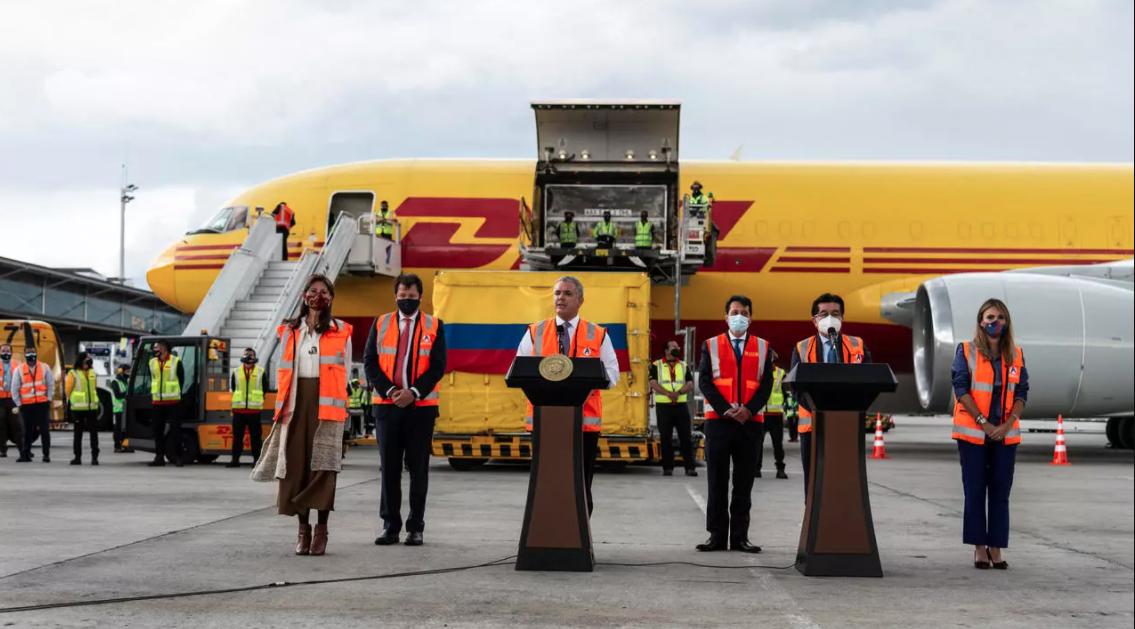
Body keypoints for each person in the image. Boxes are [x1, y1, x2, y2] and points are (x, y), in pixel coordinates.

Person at [252, 274, 353, 556]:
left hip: (327, 406)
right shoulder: (289, 331)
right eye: (313, 290)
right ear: (303, 295)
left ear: (331, 298)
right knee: (295, 467)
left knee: (323, 467)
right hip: (295, 404)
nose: (317, 296)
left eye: (323, 291)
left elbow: (343, 374)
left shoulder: (341, 330)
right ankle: (303, 530)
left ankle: (322, 531)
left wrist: (340, 409)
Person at [515, 275, 619, 516]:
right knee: (547, 485)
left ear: (580, 300)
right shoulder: (535, 332)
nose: (560, 298)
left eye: (567, 293)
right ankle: (548, 539)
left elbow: (612, 375)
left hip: (584, 426)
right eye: (557, 293)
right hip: (544, 424)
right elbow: (519, 370)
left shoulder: (598, 334)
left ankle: (580, 544)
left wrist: (584, 384)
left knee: (581, 486)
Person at [365, 273, 447, 547]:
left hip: (420, 409)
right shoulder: (381, 323)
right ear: (395, 295)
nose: (407, 301)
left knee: (418, 470)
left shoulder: (434, 325)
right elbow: (370, 363)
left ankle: (416, 527)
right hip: (387, 409)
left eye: (412, 297)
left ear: (420, 297)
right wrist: (391, 392)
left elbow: (437, 366)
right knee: (389, 469)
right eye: (402, 297)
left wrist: (412, 393)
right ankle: (390, 526)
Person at [952, 298, 1028, 571]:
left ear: (1007, 323)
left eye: (1001, 318)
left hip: (1005, 435)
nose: (995, 323)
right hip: (974, 433)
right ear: (981, 322)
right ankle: (979, 548)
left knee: (1000, 492)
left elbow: (1022, 392)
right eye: (990, 317)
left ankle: (996, 546)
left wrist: (1008, 424)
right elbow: (960, 389)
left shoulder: (1016, 354)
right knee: (975, 491)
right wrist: (984, 423)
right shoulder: (966, 351)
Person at [696, 295, 773, 553]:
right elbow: (704, 381)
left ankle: (740, 538)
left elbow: (766, 385)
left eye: (744, 312)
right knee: (716, 482)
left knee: (744, 484)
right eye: (734, 311)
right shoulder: (711, 344)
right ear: (726, 317)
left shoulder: (763, 347)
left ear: (751, 317)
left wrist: (748, 410)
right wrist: (726, 409)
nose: (739, 316)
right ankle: (716, 536)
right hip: (718, 422)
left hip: (750, 424)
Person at [790, 293, 871, 497]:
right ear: (814, 320)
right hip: (812, 425)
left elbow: (868, 383)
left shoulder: (857, 346)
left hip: (846, 426)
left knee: (844, 483)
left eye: (835, 313)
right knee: (813, 483)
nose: (829, 318)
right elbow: (795, 387)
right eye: (823, 313)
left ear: (842, 318)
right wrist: (818, 411)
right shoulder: (802, 348)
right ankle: (813, 525)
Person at [649, 339, 697, 477]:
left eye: (678, 347)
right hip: (664, 407)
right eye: (674, 347)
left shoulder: (683, 365)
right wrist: (668, 394)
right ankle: (667, 468)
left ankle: (690, 468)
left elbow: (690, 384)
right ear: (666, 350)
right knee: (665, 439)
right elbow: (653, 383)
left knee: (686, 438)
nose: (677, 349)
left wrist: (678, 393)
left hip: (681, 406)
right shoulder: (656, 365)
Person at [148, 339, 186, 468]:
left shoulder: (176, 361)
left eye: (157, 347)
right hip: (157, 402)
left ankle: (179, 457)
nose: (155, 350)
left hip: (173, 402)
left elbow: (181, 380)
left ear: (164, 348)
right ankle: (159, 457)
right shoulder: (152, 362)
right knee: (157, 431)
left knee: (175, 431)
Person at [12, 346, 54, 463]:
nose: (31, 354)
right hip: (26, 406)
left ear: (36, 353)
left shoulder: (45, 367)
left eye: (33, 352)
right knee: (27, 431)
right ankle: (26, 455)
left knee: (44, 430)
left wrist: (48, 399)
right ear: (25, 354)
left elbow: (50, 385)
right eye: (28, 352)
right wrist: (19, 404)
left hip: (42, 404)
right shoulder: (19, 369)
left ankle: (46, 455)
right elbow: (14, 388)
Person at [228, 347, 265, 468]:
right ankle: (235, 460)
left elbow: (265, 388)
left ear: (254, 358)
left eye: (250, 355)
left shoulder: (261, 372)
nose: (248, 357)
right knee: (237, 436)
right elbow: (234, 387)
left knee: (256, 437)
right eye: (246, 355)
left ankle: (256, 460)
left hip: (254, 411)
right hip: (239, 410)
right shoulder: (236, 371)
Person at [755, 356, 788, 479]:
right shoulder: (758, 373)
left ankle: (780, 469)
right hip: (761, 414)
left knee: (778, 445)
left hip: (775, 415)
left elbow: (785, 393)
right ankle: (756, 469)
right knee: (758, 444)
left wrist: (779, 405)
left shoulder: (781, 373)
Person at [66, 352, 100, 465]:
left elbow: (94, 387)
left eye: (90, 358)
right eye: (87, 358)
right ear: (81, 360)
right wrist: (76, 399)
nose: (89, 360)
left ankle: (95, 457)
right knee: (78, 434)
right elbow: (68, 390)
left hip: (92, 408)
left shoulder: (92, 372)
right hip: (78, 409)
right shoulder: (73, 373)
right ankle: (77, 457)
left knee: (94, 433)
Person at [1, 343, 25, 458]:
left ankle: (23, 449)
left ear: (11, 352)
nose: (5, 353)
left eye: (7, 351)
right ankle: (2, 450)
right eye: (3, 351)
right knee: (1, 426)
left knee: (18, 425)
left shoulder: (17, 365)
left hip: (13, 400)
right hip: (0, 400)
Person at [689, 181, 717, 266]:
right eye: (694, 188)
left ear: (699, 188)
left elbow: (706, 208)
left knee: (713, 232)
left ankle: (707, 256)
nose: (695, 189)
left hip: (701, 220)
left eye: (696, 188)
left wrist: (698, 211)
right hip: (692, 221)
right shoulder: (691, 198)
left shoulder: (704, 198)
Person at [111, 366, 132, 453]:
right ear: (121, 372)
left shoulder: (128, 381)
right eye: (127, 371)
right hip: (119, 408)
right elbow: (118, 395)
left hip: (127, 408)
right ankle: (117, 446)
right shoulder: (115, 382)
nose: (129, 373)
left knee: (127, 428)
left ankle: (126, 445)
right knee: (118, 428)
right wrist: (127, 393)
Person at [347, 370, 368, 439]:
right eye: (356, 384)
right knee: (352, 420)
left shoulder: (360, 389)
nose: (357, 386)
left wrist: (363, 404)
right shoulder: (350, 389)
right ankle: (352, 432)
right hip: (352, 408)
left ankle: (358, 432)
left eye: (357, 384)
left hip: (358, 407)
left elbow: (363, 396)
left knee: (358, 420)